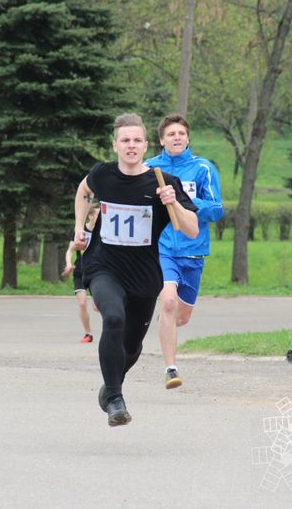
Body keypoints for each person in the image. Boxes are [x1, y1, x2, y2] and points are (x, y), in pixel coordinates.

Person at [73, 113, 198, 427]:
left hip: (144, 275)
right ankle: (115, 398)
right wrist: (79, 228)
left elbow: (192, 229)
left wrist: (174, 203)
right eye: (125, 140)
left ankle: (111, 384)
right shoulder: (102, 174)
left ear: (145, 145)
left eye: (137, 140)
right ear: (115, 145)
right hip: (104, 266)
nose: (131, 145)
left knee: (131, 347)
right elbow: (83, 191)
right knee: (113, 317)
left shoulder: (163, 182)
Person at [144, 114, 223, 390]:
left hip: (193, 251)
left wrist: (183, 200)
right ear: (161, 140)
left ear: (188, 137)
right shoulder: (150, 168)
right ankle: (170, 368)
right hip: (162, 248)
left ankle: (165, 321)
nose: (176, 138)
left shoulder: (203, 168)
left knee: (181, 317)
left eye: (181, 133)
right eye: (171, 134)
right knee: (167, 301)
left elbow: (216, 209)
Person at [62, 204, 101, 343]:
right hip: (80, 272)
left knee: (98, 306)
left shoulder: (103, 231)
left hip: (96, 272)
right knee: (82, 303)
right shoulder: (80, 231)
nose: (100, 217)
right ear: (90, 215)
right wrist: (68, 264)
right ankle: (88, 333)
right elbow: (70, 250)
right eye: (97, 214)